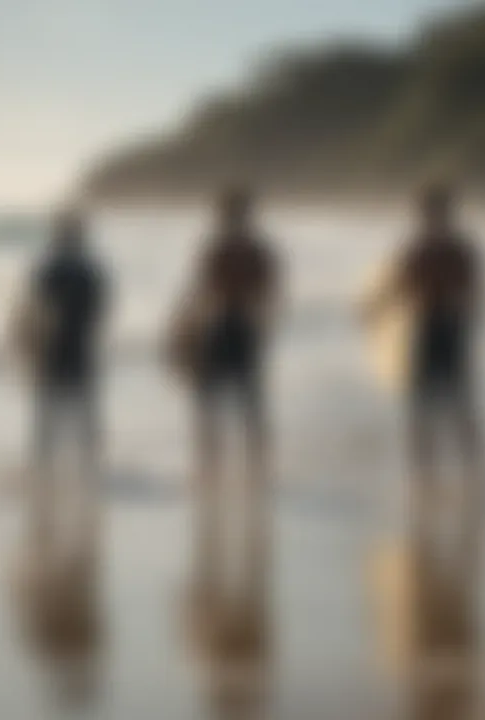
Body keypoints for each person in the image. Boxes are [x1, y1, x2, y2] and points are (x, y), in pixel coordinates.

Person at [168, 187, 281, 636]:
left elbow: (200, 290)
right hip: (246, 325)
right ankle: (255, 471)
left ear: (223, 214)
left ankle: (210, 472)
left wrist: (181, 324)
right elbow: (271, 292)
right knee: (247, 404)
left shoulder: (218, 247)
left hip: (222, 325)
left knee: (211, 404)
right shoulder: (257, 249)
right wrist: (262, 323)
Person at [364, 184, 485, 551]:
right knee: (433, 406)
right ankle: (434, 479)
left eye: (430, 212)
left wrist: (378, 308)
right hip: (440, 326)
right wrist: (377, 308)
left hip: (440, 326)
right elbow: (403, 287)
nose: (429, 218)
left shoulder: (441, 250)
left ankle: (454, 479)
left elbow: (466, 291)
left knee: (444, 406)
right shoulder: (443, 250)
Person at [10, 208, 109, 553]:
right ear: (80, 237)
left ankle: (42, 476)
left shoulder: (48, 269)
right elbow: (100, 311)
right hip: (81, 347)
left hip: (52, 348)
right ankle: (89, 473)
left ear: (57, 236)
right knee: (84, 413)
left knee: (47, 417)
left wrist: (27, 347)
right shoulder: (91, 270)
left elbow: (30, 312)